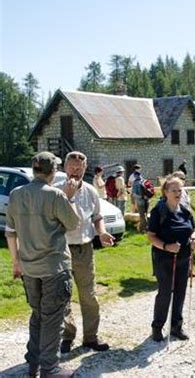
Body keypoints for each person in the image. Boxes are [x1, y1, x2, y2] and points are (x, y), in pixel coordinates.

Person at [6, 152, 79, 378]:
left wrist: (16, 262)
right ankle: (50, 368)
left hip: (28, 267)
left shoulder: (16, 194)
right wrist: (69, 197)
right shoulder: (56, 195)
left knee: (38, 315)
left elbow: (10, 232)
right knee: (53, 318)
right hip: (54, 268)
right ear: (53, 171)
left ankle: (33, 363)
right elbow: (73, 223)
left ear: (34, 169)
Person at [56, 151, 115, 354]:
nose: (76, 170)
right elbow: (54, 220)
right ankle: (67, 335)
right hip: (61, 249)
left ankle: (90, 337)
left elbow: (97, 216)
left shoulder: (90, 190)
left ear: (85, 168)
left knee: (88, 295)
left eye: (80, 167)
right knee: (63, 294)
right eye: (72, 166)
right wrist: (67, 197)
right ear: (65, 167)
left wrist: (103, 232)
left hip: (84, 248)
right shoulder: (55, 191)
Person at [147, 175, 195, 341]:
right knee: (165, 293)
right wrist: (166, 247)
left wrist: (194, 238)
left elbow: (193, 229)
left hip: (183, 258)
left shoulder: (184, 210)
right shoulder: (158, 211)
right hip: (163, 259)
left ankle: (177, 326)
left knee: (180, 292)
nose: (177, 193)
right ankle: (157, 327)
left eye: (180, 190)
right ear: (165, 192)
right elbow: (151, 237)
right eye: (174, 190)